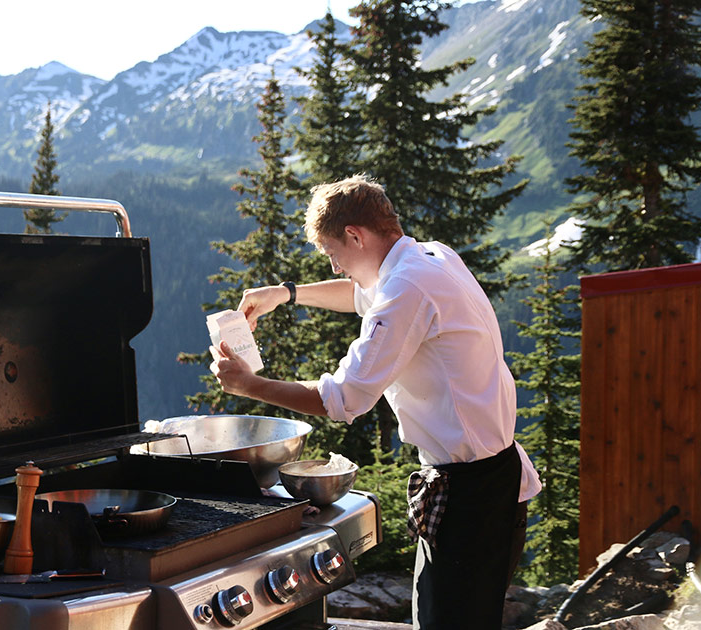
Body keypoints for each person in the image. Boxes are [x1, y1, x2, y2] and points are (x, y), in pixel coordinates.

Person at [209, 174, 541, 629]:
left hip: (472, 499)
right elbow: (362, 293)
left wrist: (251, 385)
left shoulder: (408, 289)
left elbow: (343, 399)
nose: (334, 267)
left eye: (332, 253)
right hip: (486, 482)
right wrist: (284, 295)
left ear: (354, 236)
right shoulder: (430, 257)